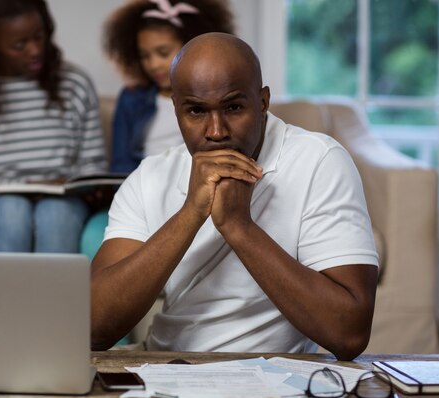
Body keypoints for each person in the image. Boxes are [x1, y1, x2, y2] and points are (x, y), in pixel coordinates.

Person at [91, 33, 379, 361]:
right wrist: (190, 214)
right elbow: (94, 327)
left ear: (263, 102)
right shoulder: (150, 177)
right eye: (197, 111)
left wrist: (238, 226)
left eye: (234, 107)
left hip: (274, 378)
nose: (216, 131)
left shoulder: (318, 161)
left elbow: (350, 334)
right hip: (166, 367)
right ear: (177, 111)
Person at [0, 0, 107, 253]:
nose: (35, 50)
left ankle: (51, 294)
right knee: (12, 209)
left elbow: (93, 167)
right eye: (19, 45)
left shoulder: (75, 83)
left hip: (62, 205)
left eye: (39, 37)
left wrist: (69, 187)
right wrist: (27, 189)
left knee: (55, 212)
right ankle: (8, 294)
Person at [104, 0, 234, 174]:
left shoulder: (214, 98)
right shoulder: (131, 99)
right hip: (143, 187)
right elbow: (121, 165)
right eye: (144, 56)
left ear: (191, 47)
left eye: (163, 53)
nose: (153, 64)